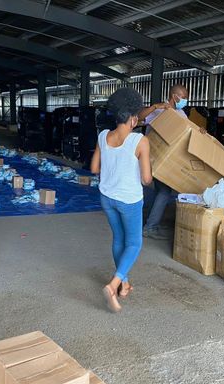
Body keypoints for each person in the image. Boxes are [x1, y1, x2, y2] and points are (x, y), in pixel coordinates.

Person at [91, 87, 152, 313]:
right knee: (134, 243)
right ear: (134, 117)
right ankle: (114, 284)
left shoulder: (102, 136)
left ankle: (124, 284)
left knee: (118, 239)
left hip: (107, 197)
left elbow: (94, 167)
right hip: (129, 200)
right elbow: (146, 179)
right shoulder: (139, 141)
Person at [138, 84, 188, 240]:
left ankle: (147, 222)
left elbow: (188, 131)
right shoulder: (160, 110)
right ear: (175, 96)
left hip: (169, 159)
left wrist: (200, 131)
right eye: (184, 97)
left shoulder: (181, 113)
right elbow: (139, 117)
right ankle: (149, 227)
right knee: (164, 191)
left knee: (162, 191)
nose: (185, 100)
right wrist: (154, 106)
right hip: (154, 157)